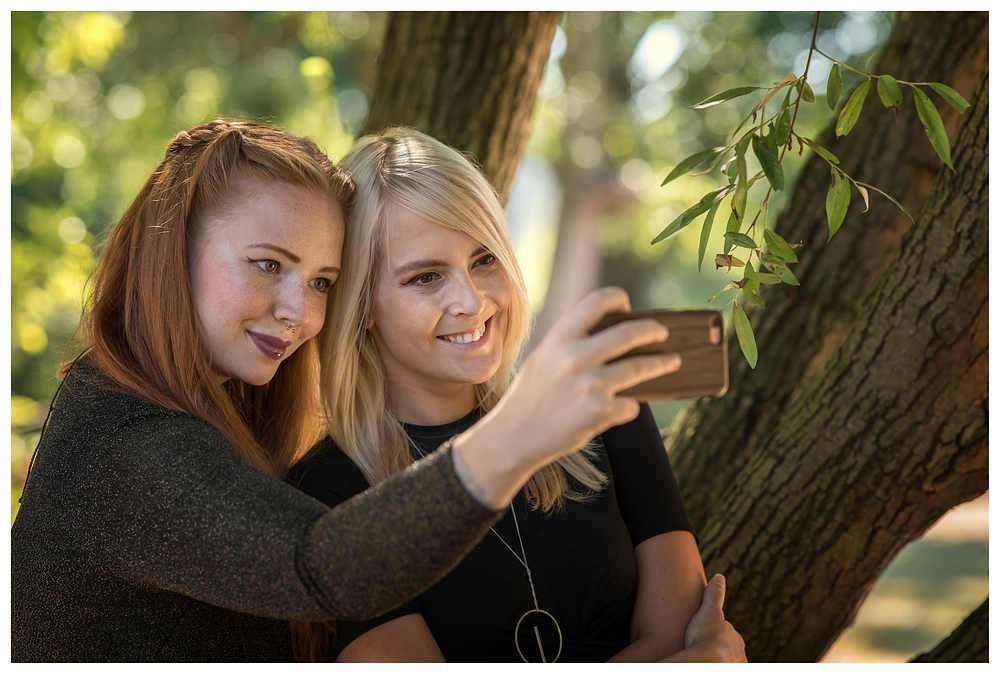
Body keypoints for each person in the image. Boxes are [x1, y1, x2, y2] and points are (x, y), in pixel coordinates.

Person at [10, 120, 685, 662]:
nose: (298, 314)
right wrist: (520, 433)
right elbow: (321, 566)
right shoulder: (129, 449)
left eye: (320, 283)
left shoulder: (211, 419)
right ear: (170, 251)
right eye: (267, 264)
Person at [288, 128, 746, 663]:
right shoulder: (327, 493)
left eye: (484, 260)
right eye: (426, 277)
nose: (473, 300)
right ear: (362, 303)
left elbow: (675, 631)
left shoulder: (608, 407)